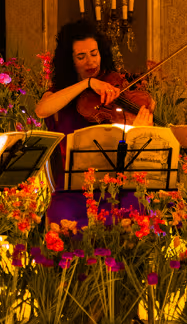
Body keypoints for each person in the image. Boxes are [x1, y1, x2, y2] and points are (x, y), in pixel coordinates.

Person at [34, 20, 154, 228]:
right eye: (81, 56)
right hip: (73, 191)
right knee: (61, 214)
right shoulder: (58, 94)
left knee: (138, 209)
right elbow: (41, 109)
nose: (91, 62)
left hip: (116, 187)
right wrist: (86, 84)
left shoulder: (113, 85)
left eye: (94, 53)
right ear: (69, 61)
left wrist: (140, 131)